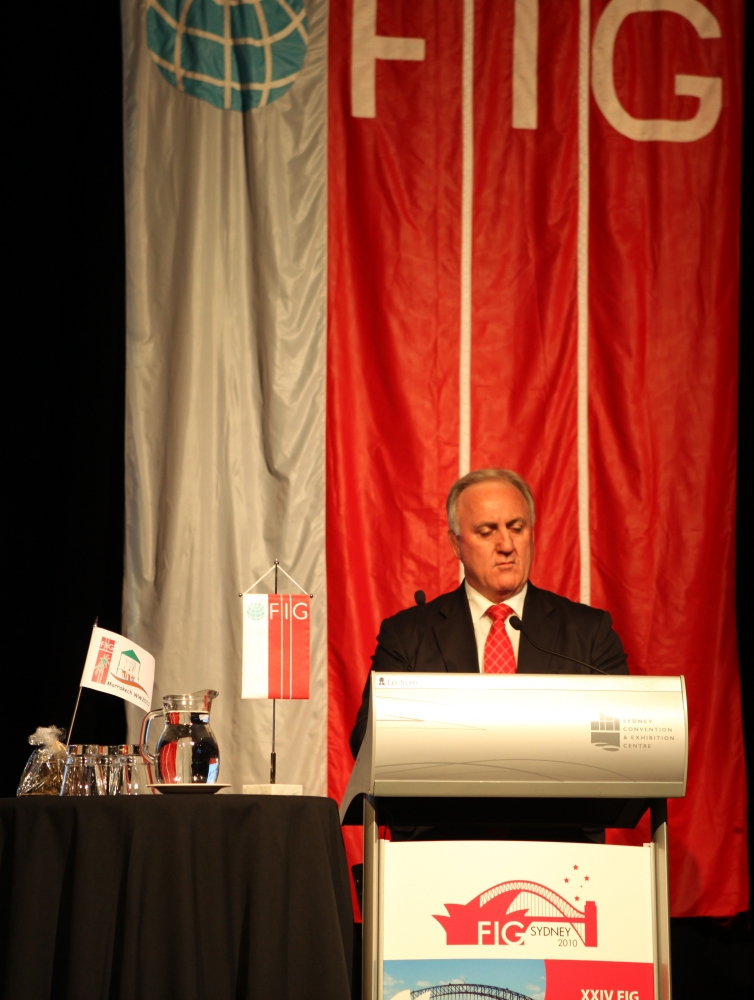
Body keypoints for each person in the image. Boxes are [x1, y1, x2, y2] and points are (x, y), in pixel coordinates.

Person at [350, 468, 628, 757]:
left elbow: (622, 742)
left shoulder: (589, 633)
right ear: (456, 544)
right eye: (487, 532)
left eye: (517, 529)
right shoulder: (409, 637)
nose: (507, 546)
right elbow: (367, 741)